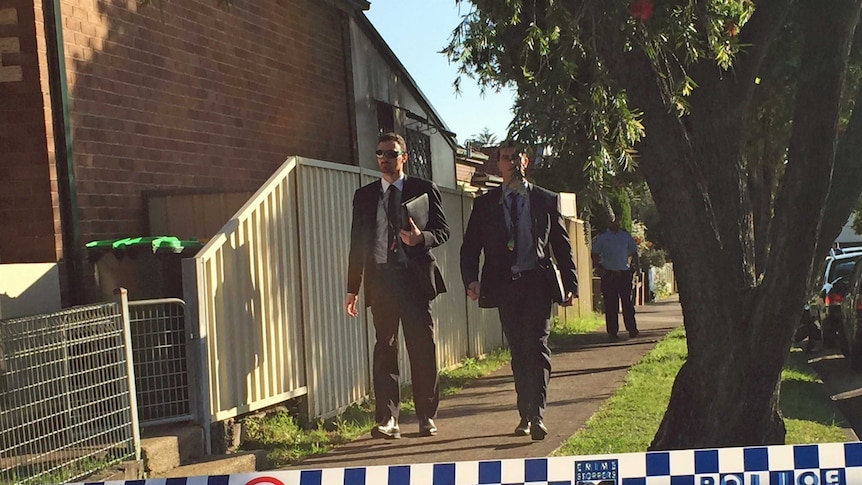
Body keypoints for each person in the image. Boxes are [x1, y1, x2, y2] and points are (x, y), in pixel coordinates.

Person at [460, 141, 578, 441]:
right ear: (497, 164)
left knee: (537, 346)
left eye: (516, 158)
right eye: (505, 158)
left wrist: (571, 284)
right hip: (505, 285)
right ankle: (524, 413)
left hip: (536, 283)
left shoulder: (545, 200)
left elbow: (561, 245)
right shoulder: (486, 204)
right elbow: (471, 245)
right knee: (519, 350)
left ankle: (537, 415)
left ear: (525, 162)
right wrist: (471, 279)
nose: (510, 163)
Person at [344, 132, 450, 439]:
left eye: (390, 153)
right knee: (384, 349)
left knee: (422, 347)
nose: (384, 159)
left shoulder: (423, 189)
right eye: (379, 154)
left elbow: (443, 230)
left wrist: (421, 239)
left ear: (404, 156)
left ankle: (426, 416)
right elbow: (357, 243)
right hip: (382, 280)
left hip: (414, 278)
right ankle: (387, 419)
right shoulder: (364, 195)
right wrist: (353, 288)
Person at [591, 215, 639, 341]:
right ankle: (612, 332)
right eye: (612, 220)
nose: (615, 222)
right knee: (611, 304)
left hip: (624, 273)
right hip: (609, 274)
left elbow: (634, 252)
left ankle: (632, 329)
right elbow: (594, 253)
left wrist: (636, 269)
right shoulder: (602, 237)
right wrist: (599, 268)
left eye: (617, 220)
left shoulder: (625, 236)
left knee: (627, 303)